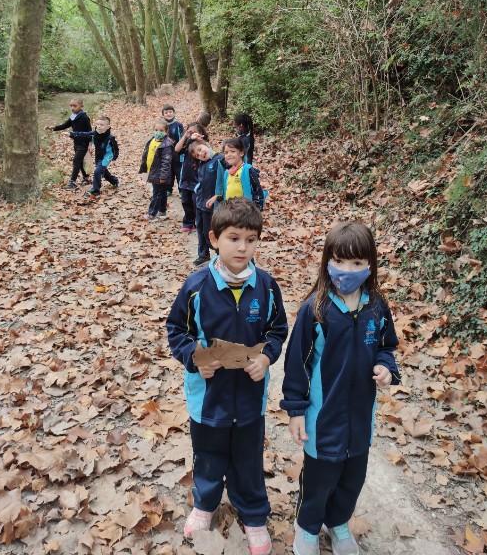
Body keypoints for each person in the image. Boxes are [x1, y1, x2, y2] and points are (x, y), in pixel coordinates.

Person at [166, 199, 288, 555]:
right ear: (214, 238)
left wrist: (266, 357)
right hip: (208, 399)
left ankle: (253, 514)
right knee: (208, 455)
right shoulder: (196, 287)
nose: (242, 247)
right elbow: (177, 330)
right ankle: (205, 504)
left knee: (247, 459)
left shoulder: (266, 287)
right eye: (234, 238)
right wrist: (195, 359)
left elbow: (278, 330)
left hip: (249, 399)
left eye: (251, 240)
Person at [281, 222, 400, 555]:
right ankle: (307, 528)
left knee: (352, 478)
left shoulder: (376, 307)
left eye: (357, 262)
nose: (347, 271)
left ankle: (338, 523)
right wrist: (295, 410)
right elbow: (297, 364)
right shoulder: (315, 310)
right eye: (339, 261)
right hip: (323, 419)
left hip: (360, 418)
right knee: (319, 480)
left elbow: (386, 346)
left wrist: (386, 368)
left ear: (370, 265)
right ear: (327, 261)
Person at [188, 138, 225, 266]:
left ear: (205, 145)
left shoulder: (219, 159)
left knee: (211, 231)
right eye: (197, 155)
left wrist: (218, 196)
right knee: (201, 230)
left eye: (200, 149)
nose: (200, 154)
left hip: (213, 205)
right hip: (200, 203)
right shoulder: (201, 164)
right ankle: (203, 255)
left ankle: (221, 255)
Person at [207, 138, 265, 211]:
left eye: (233, 151)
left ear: (241, 153)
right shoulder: (227, 173)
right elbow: (226, 194)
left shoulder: (247, 169)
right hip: (231, 212)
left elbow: (257, 191)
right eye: (226, 153)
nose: (229, 155)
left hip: (245, 212)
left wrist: (256, 209)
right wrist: (217, 197)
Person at [47, 98, 92, 189]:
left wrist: (90, 144)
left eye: (75, 106)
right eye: (71, 106)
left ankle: (72, 182)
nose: (72, 108)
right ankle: (86, 178)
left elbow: (90, 131)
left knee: (76, 161)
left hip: (84, 144)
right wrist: (54, 128)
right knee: (79, 162)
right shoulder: (73, 116)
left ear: (81, 106)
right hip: (76, 143)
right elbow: (65, 125)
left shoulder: (84, 117)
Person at [70, 115, 119, 198]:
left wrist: (114, 157)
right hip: (98, 156)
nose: (99, 126)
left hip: (107, 156)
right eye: (98, 124)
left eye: (102, 125)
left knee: (97, 171)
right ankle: (114, 181)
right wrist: (73, 134)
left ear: (108, 127)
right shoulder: (94, 133)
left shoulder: (110, 138)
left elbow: (116, 148)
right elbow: (84, 134)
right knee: (103, 171)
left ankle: (95, 191)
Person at [139, 119, 175, 220]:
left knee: (157, 194)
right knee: (162, 193)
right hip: (154, 171)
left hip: (160, 174)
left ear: (166, 132)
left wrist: (163, 176)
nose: (158, 132)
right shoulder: (153, 140)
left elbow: (166, 162)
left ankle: (152, 213)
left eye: (161, 130)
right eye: (156, 130)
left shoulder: (166, 145)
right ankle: (162, 211)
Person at [175, 122, 208, 232]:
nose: (192, 134)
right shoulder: (187, 145)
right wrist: (185, 137)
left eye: (195, 132)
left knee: (195, 203)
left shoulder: (203, 145)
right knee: (186, 201)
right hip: (185, 179)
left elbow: (209, 152)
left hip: (197, 180)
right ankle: (188, 223)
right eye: (190, 131)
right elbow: (176, 149)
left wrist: (200, 140)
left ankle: (198, 223)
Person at [162, 104, 184, 192]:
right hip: (166, 153)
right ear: (163, 115)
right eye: (166, 112)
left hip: (177, 152)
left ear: (174, 113)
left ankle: (181, 190)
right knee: (168, 172)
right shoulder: (162, 125)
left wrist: (182, 149)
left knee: (179, 172)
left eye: (170, 112)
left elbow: (183, 137)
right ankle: (168, 189)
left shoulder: (178, 125)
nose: (168, 114)